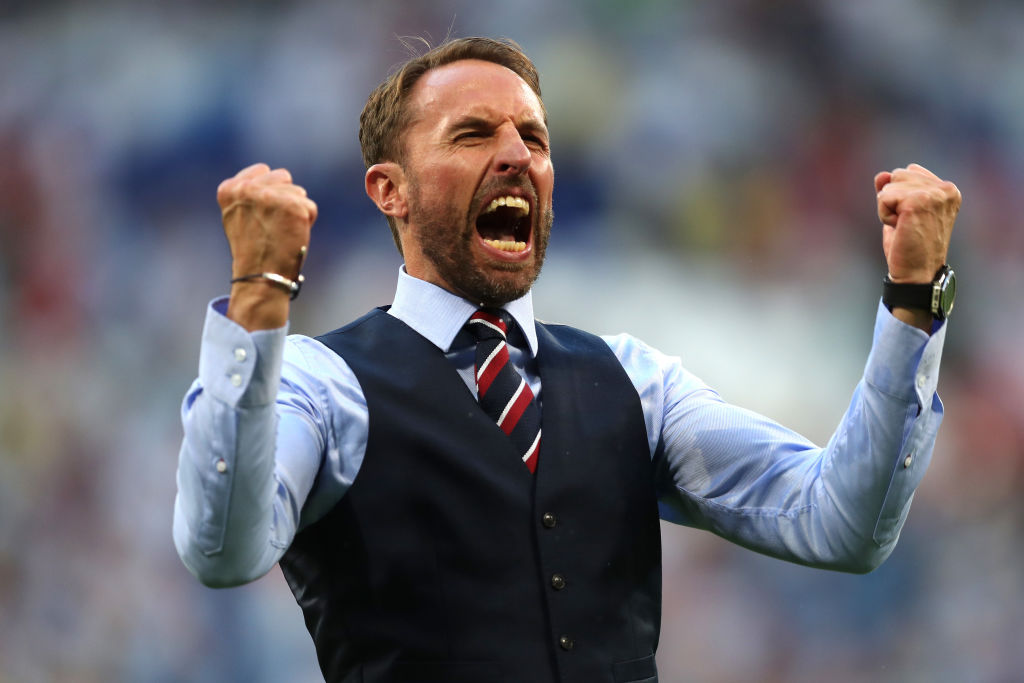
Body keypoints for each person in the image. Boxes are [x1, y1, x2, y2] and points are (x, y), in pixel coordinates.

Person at [173, 37, 961, 683]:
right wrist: (257, 303)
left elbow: (843, 523)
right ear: (390, 189)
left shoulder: (635, 381)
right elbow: (225, 548)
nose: (518, 154)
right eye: (474, 133)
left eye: (535, 137)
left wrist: (913, 302)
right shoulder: (323, 381)